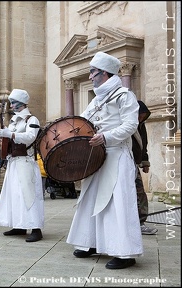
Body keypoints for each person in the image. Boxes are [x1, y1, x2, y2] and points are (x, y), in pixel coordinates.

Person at [66, 51, 143, 269]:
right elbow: (82, 122)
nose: (90, 76)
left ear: (106, 74)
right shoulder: (96, 100)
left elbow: (130, 125)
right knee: (90, 199)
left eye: (93, 72)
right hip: (96, 157)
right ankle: (90, 242)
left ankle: (124, 252)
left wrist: (106, 136)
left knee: (117, 203)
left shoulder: (124, 95)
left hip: (116, 155)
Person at [0, 89, 44, 242]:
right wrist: (2, 142)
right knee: (15, 195)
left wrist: (10, 134)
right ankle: (19, 225)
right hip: (13, 162)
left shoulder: (32, 120)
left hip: (26, 161)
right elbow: (10, 141)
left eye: (14, 102)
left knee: (28, 195)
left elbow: (30, 137)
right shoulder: (13, 121)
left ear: (22, 103)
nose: (11, 105)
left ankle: (36, 228)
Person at [134, 100, 157, 235]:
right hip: (125, 163)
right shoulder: (129, 124)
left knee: (140, 193)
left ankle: (141, 222)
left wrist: (145, 162)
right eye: (139, 115)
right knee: (136, 193)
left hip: (134, 165)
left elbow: (144, 145)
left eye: (143, 115)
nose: (140, 117)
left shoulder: (141, 126)